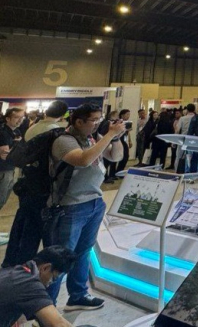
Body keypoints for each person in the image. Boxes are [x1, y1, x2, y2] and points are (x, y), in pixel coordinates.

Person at [45, 103, 124, 310]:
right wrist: (109, 134)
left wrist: (115, 138)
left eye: (100, 119)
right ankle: (46, 309)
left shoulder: (93, 138)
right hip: (70, 206)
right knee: (60, 257)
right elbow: (83, 160)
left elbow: (115, 157)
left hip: (94, 203)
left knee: (83, 252)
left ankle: (77, 295)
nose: (97, 124)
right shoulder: (64, 140)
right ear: (79, 121)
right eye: (93, 120)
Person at [2, 101, 68, 268]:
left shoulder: (34, 127)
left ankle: (12, 264)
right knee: (34, 230)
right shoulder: (55, 132)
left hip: (28, 182)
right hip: (41, 187)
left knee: (22, 225)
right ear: (63, 115)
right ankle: (25, 268)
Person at [0, 246, 78, 327]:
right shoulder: (30, 284)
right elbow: (59, 324)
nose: (50, 283)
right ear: (45, 268)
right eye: (53, 278)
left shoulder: (13, 272)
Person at [0, 107, 25, 211]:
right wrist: (16, 145)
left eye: (22, 117)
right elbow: (5, 155)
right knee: (1, 198)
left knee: (4, 197)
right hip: (3, 169)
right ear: (7, 119)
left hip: (11, 168)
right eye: (16, 117)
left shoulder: (17, 131)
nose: (20, 120)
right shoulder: (3, 132)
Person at [104, 109, 131, 182]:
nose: (118, 117)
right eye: (117, 115)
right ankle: (108, 176)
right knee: (107, 161)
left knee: (122, 157)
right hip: (111, 142)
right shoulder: (109, 123)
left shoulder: (122, 123)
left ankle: (115, 173)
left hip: (119, 141)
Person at [175, 104, 196, 173]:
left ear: (187, 110)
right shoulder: (197, 118)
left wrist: (174, 141)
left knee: (179, 156)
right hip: (193, 140)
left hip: (183, 139)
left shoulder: (182, 118)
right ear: (194, 109)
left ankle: (178, 170)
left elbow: (177, 130)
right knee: (192, 156)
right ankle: (191, 171)